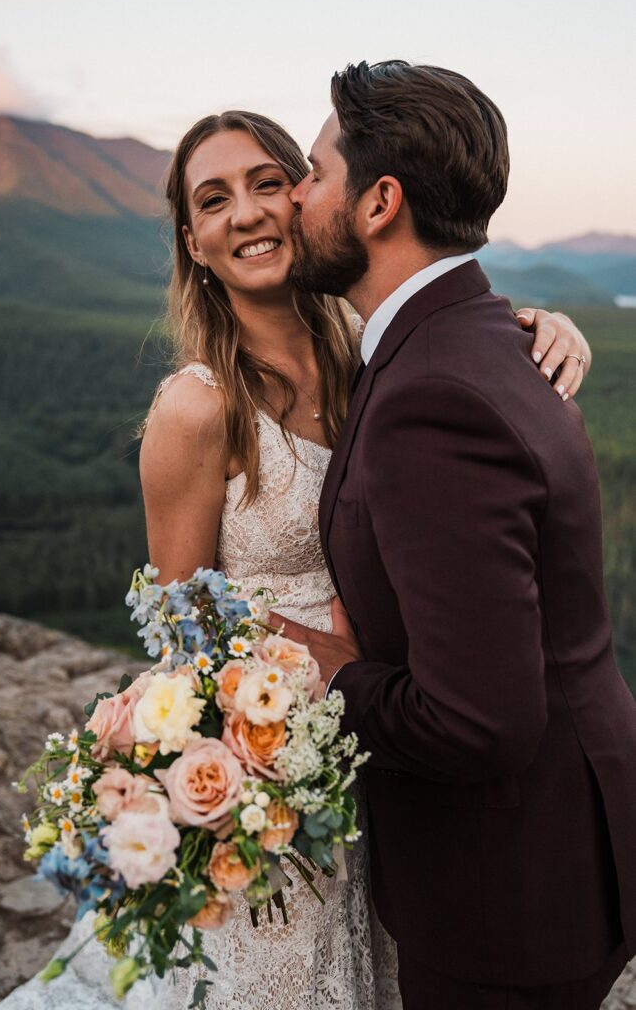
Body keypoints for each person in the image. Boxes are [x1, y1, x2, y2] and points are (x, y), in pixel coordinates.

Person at [0, 108, 592, 1010]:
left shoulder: (373, 357)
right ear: (193, 243)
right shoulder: (197, 409)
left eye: (268, 182)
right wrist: (294, 656)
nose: (246, 214)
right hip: (278, 764)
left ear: (312, 199)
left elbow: (451, 350)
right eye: (213, 200)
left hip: (397, 754)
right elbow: (181, 627)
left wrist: (547, 327)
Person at [269, 61, 636, 1010]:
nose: (293, 196)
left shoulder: (433, 392)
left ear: (379, 201)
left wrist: (324, 672)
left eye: (312, 172)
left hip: (507, 897)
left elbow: (480, 721)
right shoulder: (478, 336)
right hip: (553, 857)